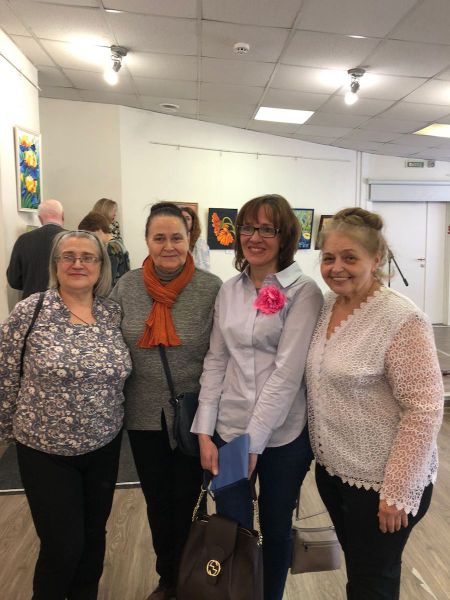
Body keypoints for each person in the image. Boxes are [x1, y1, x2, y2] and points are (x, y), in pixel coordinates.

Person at [306, 207, 444, 600]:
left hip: (383, 483)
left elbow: (425, 410)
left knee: (372, 583)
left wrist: (398, 491)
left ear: (376, 259)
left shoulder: (401, 318)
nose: (337, 268)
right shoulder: (327, 306)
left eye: (350, 257)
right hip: (335, 473)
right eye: (329, 258)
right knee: (362, 573)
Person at [191, 194, 323, 600]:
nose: (255, 237)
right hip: (229, 431)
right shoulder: (229, 291)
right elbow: (216, 360)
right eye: (248, 227)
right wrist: (205, 431)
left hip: (283, 437)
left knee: (276, 527)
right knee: (231, 525)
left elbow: (286, 374)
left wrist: (255, 441)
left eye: (268, 229)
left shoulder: (304, 292)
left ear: (285, 237)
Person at [0, 230, 132, 600]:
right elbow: (6, 375)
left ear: (101, 266)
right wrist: (3, 434)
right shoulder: (31, 310)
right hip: (44, 450)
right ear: (55, 265)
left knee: (93, 540)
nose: (78, 264)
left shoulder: (111, 313)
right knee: (62, 547)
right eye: (68, 256)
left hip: (104, 446)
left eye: (88, 257)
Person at [110, 202, 221, 600]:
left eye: (177, 237)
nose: (169, 246)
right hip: (143, 415)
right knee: (158, 501)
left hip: (195, 414)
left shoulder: (211, 288)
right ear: (147, 241)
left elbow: (222, 354)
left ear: (189, 239)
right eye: (160, 238)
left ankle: (193, 579)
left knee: (191, 500)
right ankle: (168, 578)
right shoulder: (126, 287)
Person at [7, 198, 64, 298]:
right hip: (64, 302)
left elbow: (13, 280)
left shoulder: (23, 240)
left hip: (31, 303)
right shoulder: (73, 240)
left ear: (40, 219)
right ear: (63, 216)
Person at [78, 211, 130, 287]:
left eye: (89, 235)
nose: (88, 240)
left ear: (98, 230)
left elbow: (108, 278)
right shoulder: (118, 242)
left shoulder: (110, 248)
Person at [180, 206, 211, 271]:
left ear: (193, 222)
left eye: (187, 218)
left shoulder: (200, 243)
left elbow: (203, 267)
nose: (184, 221)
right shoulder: (173, 240)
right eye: (181, 218)